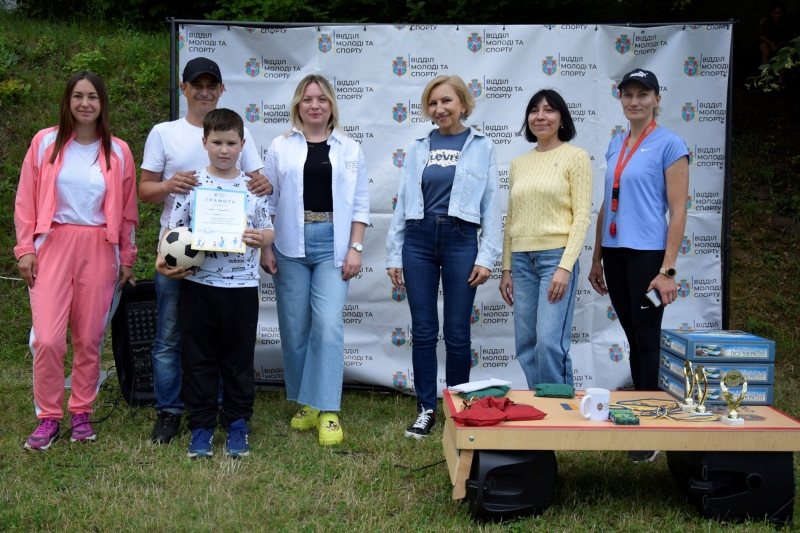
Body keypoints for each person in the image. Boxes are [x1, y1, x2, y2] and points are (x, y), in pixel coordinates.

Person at [139, 57, 272, 444]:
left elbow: (259, 191)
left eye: (211, 84)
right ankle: (169, 412)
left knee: (219, 343)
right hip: (180, 256)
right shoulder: (165, 133)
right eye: (196, 84)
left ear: (221, 89)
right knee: (170, 338)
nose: (204, 91)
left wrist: (264, 237)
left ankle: (216, 413)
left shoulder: (235, 133)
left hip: (232, 272)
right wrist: (169, 186)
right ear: (183, 89)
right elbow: (145, 191)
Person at [15, 70, 138, 450]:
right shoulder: (44, 143)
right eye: (78, 96)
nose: (85, 103)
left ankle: (81, 411)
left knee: (89, 337)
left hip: (100, 248)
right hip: (53, 243)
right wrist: (25, 249)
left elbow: (129, 212)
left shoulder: (118, 151)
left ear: (103, 104)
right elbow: (25, 200)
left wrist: (128, 256)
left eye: (93, 97)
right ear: (68, 101)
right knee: (49, 339)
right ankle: (48, 418)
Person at [386, 75, 501, 439]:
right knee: (423, 331)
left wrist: (487, 256)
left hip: (460, 239)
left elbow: (492, 204)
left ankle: (458, 409)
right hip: (418, 239)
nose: (440, 109)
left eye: (447, 101)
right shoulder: (419, 145)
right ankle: (426, 410)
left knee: (456, 331)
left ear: (463, 104)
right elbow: (404, 201)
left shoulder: (481, 145)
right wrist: (394, 252)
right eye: (433, 103)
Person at [260, 74, 369, 446]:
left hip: (333, 245)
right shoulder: (280, 146)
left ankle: (328, 410)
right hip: (289, 242)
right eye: (307, 99)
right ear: (297, 105)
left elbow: (360, 205)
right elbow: (269, 202)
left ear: (331, 105)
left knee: (327, 324)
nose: (315, 105)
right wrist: (265, 246)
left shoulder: (350, 149)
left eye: (321, 99)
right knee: (294, 328)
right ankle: (306, 402)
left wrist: (355, 248)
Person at [587, 69, 689, 462]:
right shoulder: (616, 143)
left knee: (648, 338)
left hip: (648, 255)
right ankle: (646, 413)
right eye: (628, 94)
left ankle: (651, 427)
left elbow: (679, 211)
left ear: (656, 99)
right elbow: (605, 204)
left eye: (642, 94)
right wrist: (596, 256)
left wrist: (668, 270)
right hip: (615, 252)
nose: (635, 101)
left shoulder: (669, 143)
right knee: (633, 336)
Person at [499, 89, 592, 389]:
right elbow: (511, 218)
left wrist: (565, 267)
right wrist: (506, 269)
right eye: (534, 110)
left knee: (550, 342)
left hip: (556, 258)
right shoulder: (518, 164)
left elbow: (582, 217)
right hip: (522, 262)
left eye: (549, 110)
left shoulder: (575, 158)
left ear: (562, 118)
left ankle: (560, 417)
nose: (541, 116)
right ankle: (541, 409)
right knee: (526, 344)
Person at [758, 1, 792, 89]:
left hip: (778, 42)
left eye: (780, 13)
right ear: (771, 13)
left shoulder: (786, 22)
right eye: (775, 13)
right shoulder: (766, 21)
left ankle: (780, 81)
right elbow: (761, 35)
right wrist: (771, 43)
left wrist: (779, 44)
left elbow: (787, 36)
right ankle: (764, 78)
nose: (778, 15)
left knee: (783, 53)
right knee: (766, 52)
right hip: (766, 41)